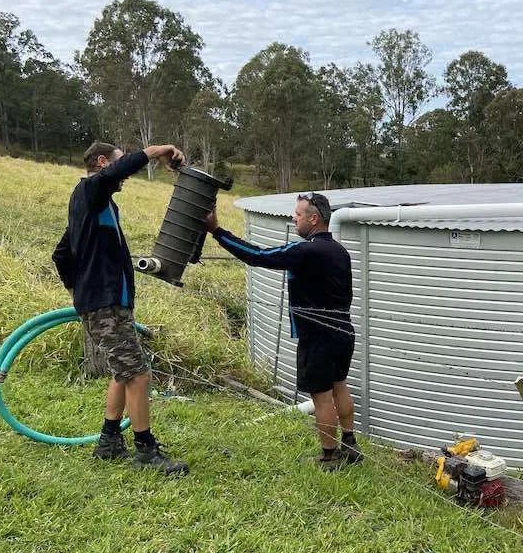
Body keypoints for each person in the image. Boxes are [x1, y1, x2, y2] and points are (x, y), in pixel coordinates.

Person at [52, 141, 189, 475]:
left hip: (110, 301)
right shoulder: (90, 190)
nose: (122, 174)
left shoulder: (100, 206)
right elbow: (121, 169)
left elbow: (61, 252)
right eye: (115, 163)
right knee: (139, 374)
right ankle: (145, 452)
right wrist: (162, 150)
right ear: (102, 163)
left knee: (123, 371)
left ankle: (109, 442)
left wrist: (78, 286)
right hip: (104, 302)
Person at [204, 192, 360, 471]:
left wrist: (217, 231)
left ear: (314, 219)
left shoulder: (307, 251)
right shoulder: (339, 251)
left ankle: (329, 456)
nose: (294, 218)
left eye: (298, 214)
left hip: (318, 337)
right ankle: (350, 446)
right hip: (343, 333)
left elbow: (258, 256)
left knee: (321, 395)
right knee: (339, 386)